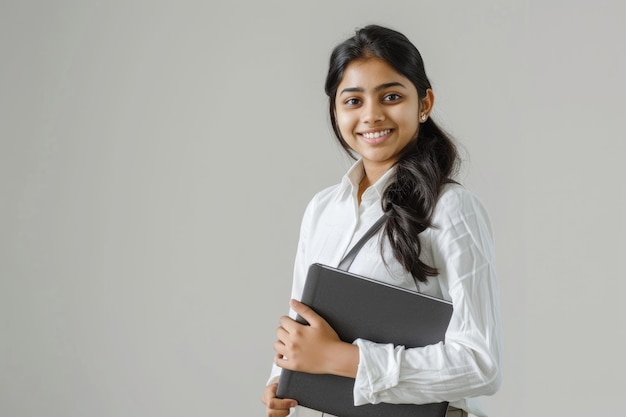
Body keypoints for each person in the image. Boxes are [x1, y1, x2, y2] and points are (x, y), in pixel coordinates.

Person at [261, 24, 503, 417]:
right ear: (335, 110)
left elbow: (481, 364)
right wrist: (280, 378)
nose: (371, 116)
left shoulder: (452, 208)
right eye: (353, 101)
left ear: (424, 104)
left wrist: (344, 359)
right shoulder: (323, 209)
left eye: (391, 96)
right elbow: (302, 325)